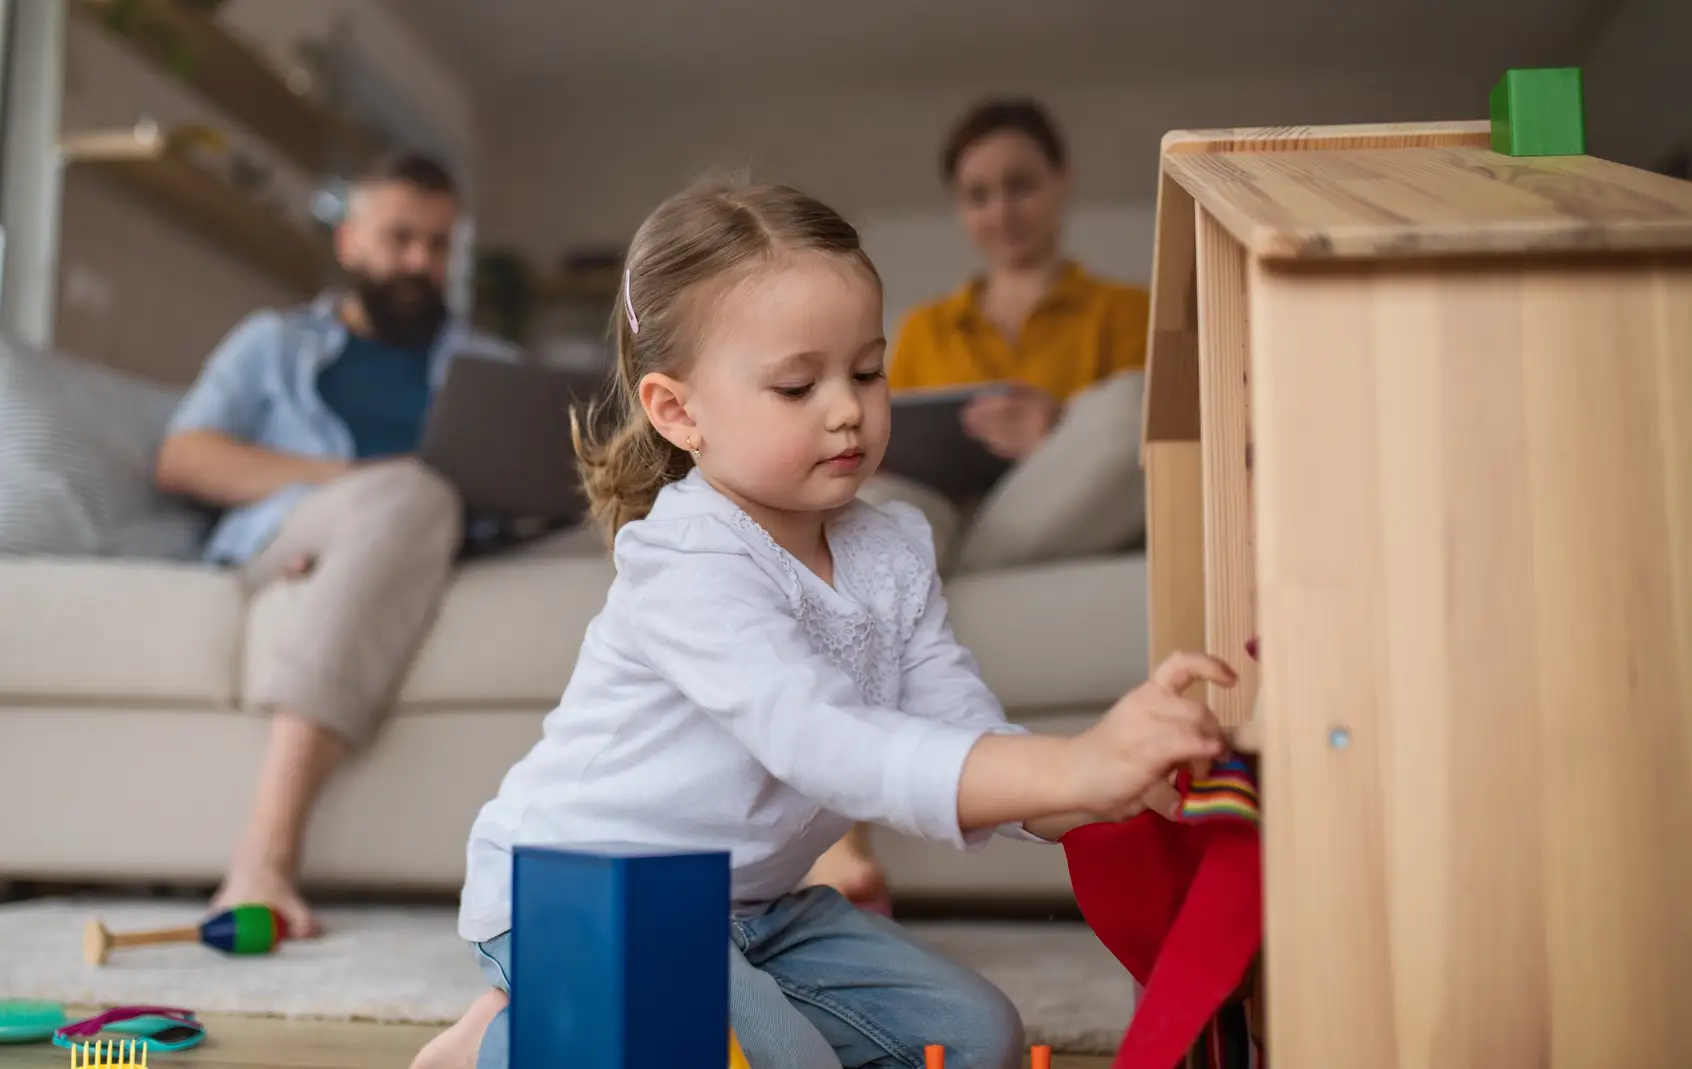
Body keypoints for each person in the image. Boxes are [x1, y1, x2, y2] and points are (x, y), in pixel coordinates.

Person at [408, 177, 1235, 1069]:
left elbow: (956, 720)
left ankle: (579, 1019)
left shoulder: (894, 546)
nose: (846, 407)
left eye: (868, 371)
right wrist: (1074, 762)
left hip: (757, 904)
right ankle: (501, 1041)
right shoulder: (686, 563)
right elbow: (825, 742)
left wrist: (1087, 788)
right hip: (588, 895)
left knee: (975, 1037)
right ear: (678, 412)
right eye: (798, 384)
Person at [153, 152, 527, 938]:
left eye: (438, 245)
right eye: (400, 239)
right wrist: (357, 478)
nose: (420, 262)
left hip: (445, 538)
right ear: (351, 241)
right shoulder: (273, 343)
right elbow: (184, 455)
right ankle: (261, 859)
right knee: (411, 492)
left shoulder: (489, 367)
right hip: (300, 527)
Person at [807, 97, 1155, 914]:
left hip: (1047, 516)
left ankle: (901, 571)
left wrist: (1057, 430)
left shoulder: (1125, 314)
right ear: (960, 208)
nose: (1002, 209)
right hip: (933, 517)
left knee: (1126, 407)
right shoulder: (924, 331)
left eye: (1021, 185)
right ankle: (839, 836)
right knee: (874, 506)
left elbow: (1128, 459)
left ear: (1062, 183)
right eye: (979, 193)